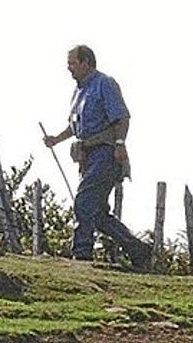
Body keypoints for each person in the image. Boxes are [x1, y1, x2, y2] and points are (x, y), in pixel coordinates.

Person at [43, 45, 151, 269]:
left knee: (84, 202)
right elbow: (76, 126)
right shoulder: (79, 92)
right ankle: (137, 249)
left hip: (106, 153)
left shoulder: (105, 84)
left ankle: (81, 255)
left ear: (86, 63)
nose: (69, 68)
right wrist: (56, 139)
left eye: (73, 63)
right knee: (98, 213)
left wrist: (120, 144)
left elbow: (122, 118)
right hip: (88, 156)